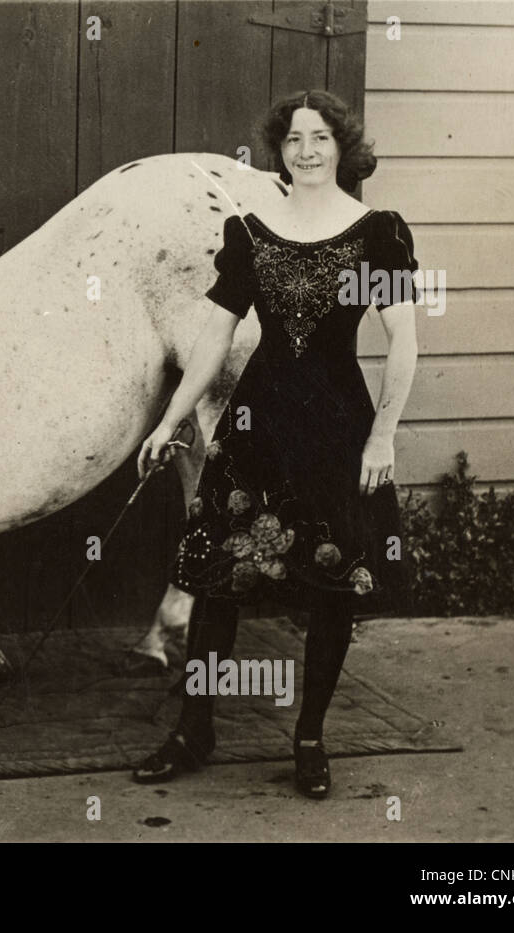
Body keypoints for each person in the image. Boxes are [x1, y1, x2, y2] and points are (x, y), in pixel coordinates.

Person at [132, 90, 421, 798]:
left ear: (342, 147)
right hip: (258, 428)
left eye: (321, 137)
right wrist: (169, 421)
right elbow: (213, 337)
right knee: (216, 582)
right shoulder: (251, 230)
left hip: (336, 431)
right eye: (294, 139)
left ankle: (311, 739)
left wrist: (383, 436)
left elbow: (405, 339)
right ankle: (193, 731)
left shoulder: (375, 233)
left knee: (330, 587)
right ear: (279, 148)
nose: (307, 150)